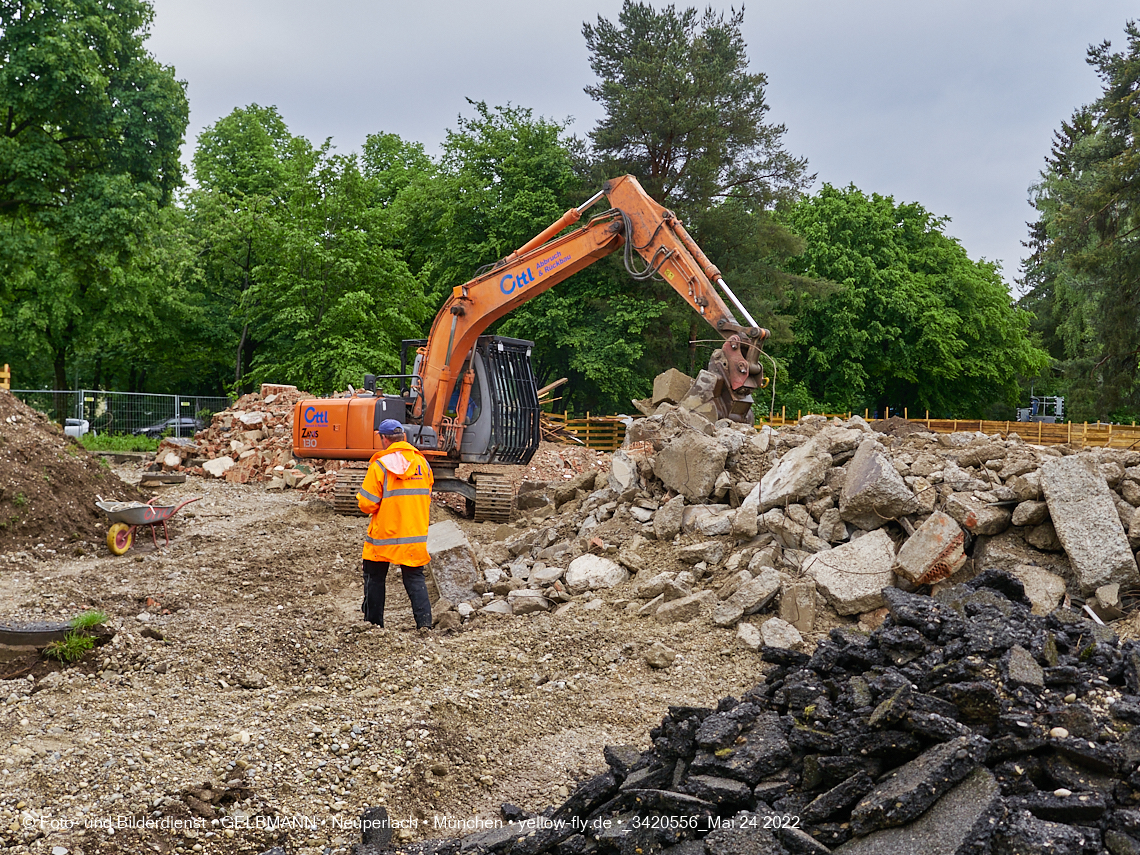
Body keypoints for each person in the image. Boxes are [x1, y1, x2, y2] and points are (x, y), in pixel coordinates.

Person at [356, 419, 434, 630]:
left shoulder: (380, 465)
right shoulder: (423, 463)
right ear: (404, 437)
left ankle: (373, 625)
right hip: (414, 535)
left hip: (384, 536)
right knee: (415, 578)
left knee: (375, 578)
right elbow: (426, 494)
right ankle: (425, 625)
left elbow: (367, 504)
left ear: (384, 438)